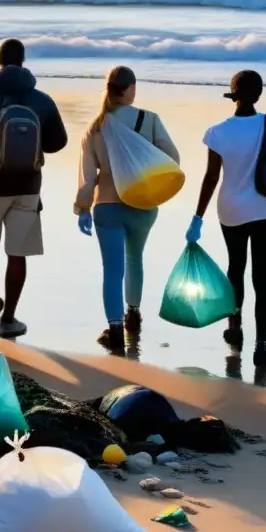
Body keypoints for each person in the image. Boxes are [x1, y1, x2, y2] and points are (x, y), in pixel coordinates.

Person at [0, 38, 67, 339]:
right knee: (17, 253)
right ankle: (9, 319)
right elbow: (59, 142)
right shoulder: (41, 100)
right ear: (24, 60)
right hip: (28, 187)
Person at [75, 66, 180, 354]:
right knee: (135, 259)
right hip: (143, 205)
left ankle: (115, 332)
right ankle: (133, 314)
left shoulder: (95, 128)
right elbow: (172, 158)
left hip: (107, 206)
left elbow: (88, 179)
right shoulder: (150, 120)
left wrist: (82, 208)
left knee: (112, 271)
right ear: (130, 88)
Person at [186, 70, 266, 368]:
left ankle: (234, 329)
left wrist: (197, 217)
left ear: (233, 93)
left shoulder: (217, 132)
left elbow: (210, 178)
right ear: (259, 94)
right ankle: (261, 346)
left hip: (231, 210)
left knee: (236, 268)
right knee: (262, 276)